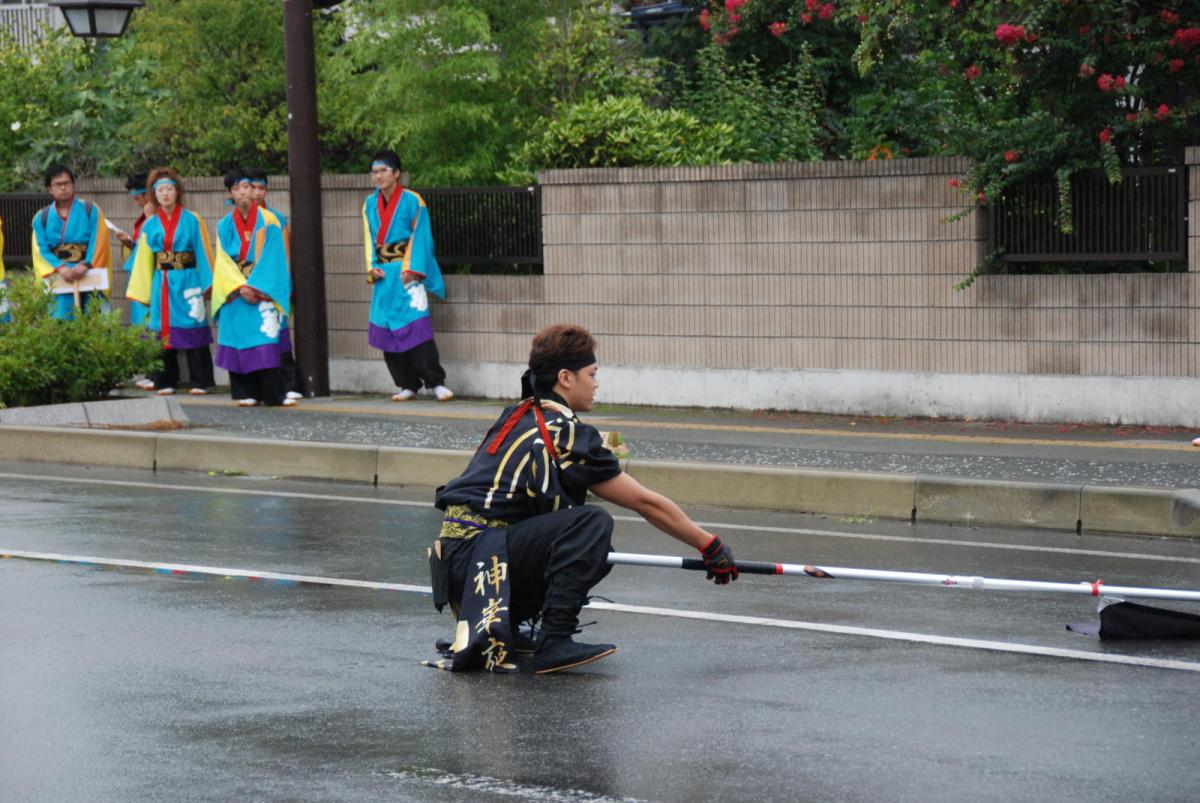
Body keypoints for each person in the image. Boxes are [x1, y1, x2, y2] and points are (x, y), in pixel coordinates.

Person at [429, 324, 738, 674]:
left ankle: (507, 628)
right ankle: (554, 641)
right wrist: (709, 544)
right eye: (591, 374)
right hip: (481, 561)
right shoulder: (561, 430)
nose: (596, 383)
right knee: (592, 525)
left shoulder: (519, 415)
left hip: (461, 567)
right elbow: (644, 503)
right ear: (566, 377)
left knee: (591, 549)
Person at [363, 149, 454, 402]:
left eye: (383, 170)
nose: (378, 176)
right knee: (387, 332)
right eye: (374, 171)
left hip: (407, 273)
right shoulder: (370, 203)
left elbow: (421, 234)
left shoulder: (413, 200)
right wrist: (371, 267)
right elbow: (368, 239)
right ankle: (407, 384)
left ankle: (436, 381)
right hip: (383, 275)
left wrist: (412, 269)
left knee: (417, 330)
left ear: (397, 173)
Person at [126, 167, 216, 395]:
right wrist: (143, 290)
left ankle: (200, 380)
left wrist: (208, 284)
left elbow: (202, 251)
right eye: (160, 190)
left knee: (192, 325)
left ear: (177, 192)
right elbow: (144, 260)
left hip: (187, 279)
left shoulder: (192, 220)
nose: (165, 194)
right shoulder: (150, 224)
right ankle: (166, 380)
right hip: (162, 281)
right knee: (161, 328)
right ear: (154, 194)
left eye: (169, 189)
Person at [212, 167, 295, 408]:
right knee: (237, 338)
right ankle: (244, 392)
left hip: (260, 292)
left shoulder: (269, 221)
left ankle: (273, 394)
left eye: (246, 186)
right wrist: (239, 287)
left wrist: (256, 288)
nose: (243, 192)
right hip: (236, 291)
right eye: (236, 188)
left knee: (265, 343)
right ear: (230, 193)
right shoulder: (224, 225)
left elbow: (274, 258)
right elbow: (224, 261)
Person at [246, 166, 301, 401]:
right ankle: (255, 388)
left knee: (279, 333)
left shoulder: (276, 219)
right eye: (252, 187)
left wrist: (285, 286)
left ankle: (289, 383)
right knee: (252, 336)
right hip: (246, 287)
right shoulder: (233, 221)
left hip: (272, 286)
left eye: (261, 188)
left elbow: (285, 256)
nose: (257, 193)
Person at [30, 163, 112, 320]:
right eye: (58, 184)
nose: (63, 187)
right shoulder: (41, 218)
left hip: (88, 273)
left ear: (73, 185)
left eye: (66, 183)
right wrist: (61, 268)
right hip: (60, 276)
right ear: (50, 189)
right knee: (61, 319)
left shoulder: (91, 210)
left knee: (96, 320)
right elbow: (40, 250)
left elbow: (98, 241)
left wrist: (85, 264)